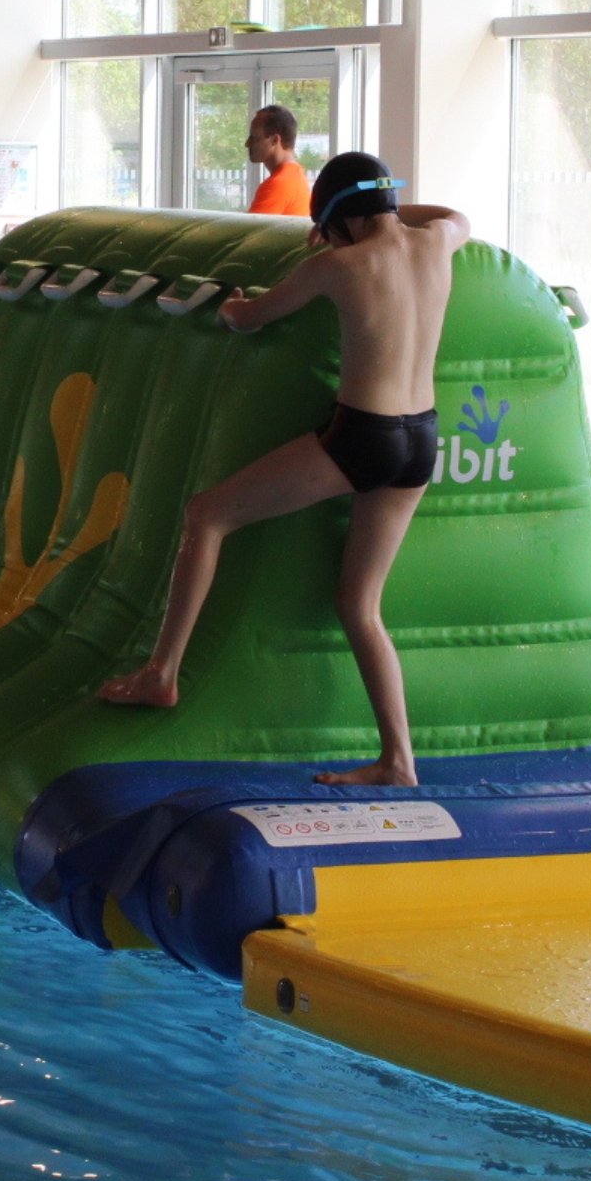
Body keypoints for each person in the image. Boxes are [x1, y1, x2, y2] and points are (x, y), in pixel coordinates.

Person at [100, 151, 470, 787]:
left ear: (335, 219)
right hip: (421, 441)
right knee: (360, 605)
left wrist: (237, 300)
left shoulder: (336, 264)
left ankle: (162, 674)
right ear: (384, 202)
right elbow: (454, 214)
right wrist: (373, 210)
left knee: (206, 515)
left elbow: (248, 318)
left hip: (364, 434)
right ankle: (398, 760)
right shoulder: (438, 242)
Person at [246, 105, 312, 216]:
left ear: (275, 140)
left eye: (255, 137)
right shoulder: (295, 175)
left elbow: (247, 232)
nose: (247, 144)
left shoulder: (279, 183)